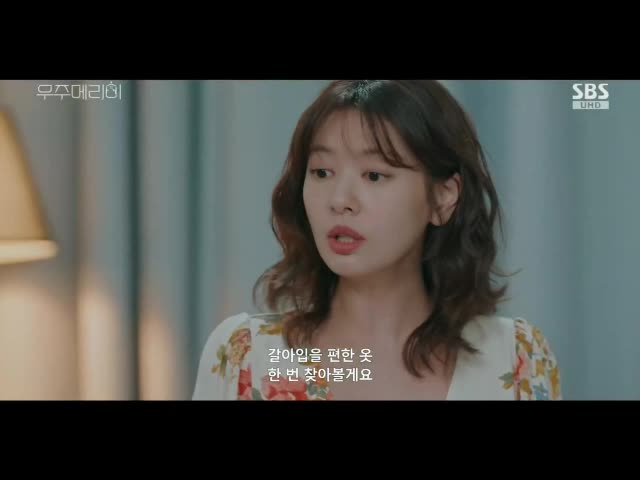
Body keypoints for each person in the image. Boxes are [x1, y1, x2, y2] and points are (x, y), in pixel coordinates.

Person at [192, 80, 562, 401]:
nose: (340, 200)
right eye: (321, 172)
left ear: (443, 197)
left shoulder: (516, 358)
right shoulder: (247, 355)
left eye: (373, 175)